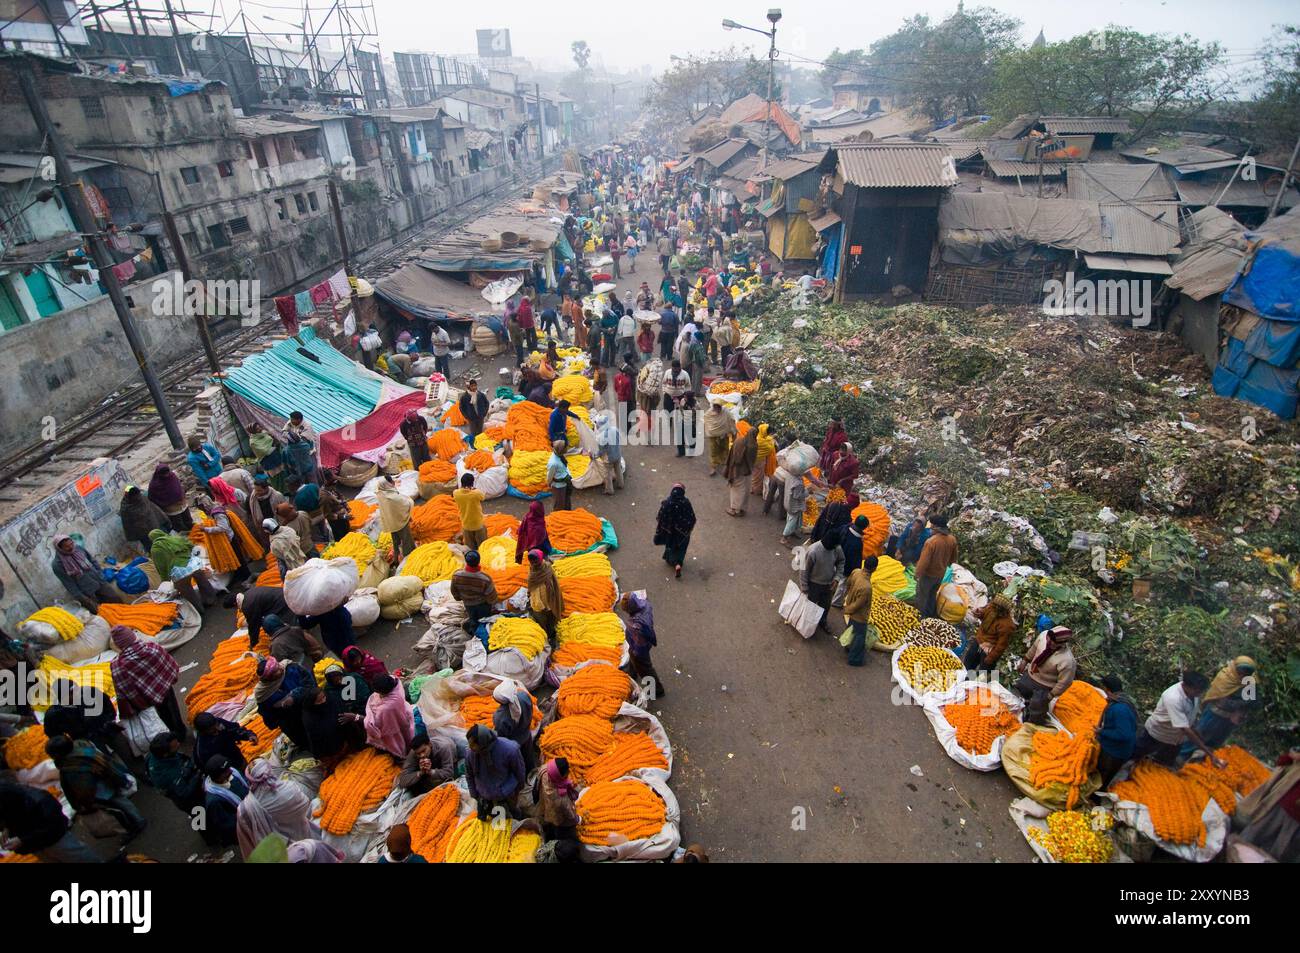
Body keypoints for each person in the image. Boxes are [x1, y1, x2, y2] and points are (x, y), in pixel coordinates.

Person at [46, 734, 146, 840]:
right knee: (122, 802)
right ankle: (137, 820)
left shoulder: (74, 767)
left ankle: (134, 824)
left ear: (59, 754)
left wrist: (85, 805)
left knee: (117, 809)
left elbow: (85, 789)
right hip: (107, 778)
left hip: (101, 790)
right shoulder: (80, 744)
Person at [1133, 671, 1225, 768]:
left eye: (1201, 691)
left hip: (1176, 739)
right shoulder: (1174, 698)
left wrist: (1196, 731)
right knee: (1135, 756)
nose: (1200, 693)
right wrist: (1209, 753)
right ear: (1187, 685)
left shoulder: (1193, 694)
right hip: (1158, 734)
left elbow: (1188, 717)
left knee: (1162, 765)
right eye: (1198, 691)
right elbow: (1185, 729)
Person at [109, 625, 186, 740]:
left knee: (158, 716)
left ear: (119, 645)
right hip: (165, 688)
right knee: (173, 710)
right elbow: (169, 665)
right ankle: (180, 731)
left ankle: (168, 736)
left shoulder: (117, 666)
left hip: (144, 700)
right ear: (133, 637)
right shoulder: (152, 648)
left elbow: (123, 689)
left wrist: (136, 703)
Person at [0, 781, 104, 863]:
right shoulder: (12, 801)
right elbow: (9, 815)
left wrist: (22, 840)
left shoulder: (42, 803)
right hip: (34, 843)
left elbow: (51, 827)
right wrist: (7, 828)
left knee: (79, 858)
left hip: (55, 839)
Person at [236, 759, 317, 859]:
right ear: (271, 770)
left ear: (250, 780)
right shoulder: (291, 788)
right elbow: (306, 805)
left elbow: (247, 842)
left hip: (279, 855)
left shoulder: (246, 808)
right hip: (305, 839)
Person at [1234, 746, 1300, 862]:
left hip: (1291, 810)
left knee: (1276, 848)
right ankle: (1234, 854)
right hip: (1285, 803)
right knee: (1255, 836)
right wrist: (1291, 756)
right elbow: (1283, 761)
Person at [1187, 656, 1260, 755]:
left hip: (1230, 720)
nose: (1242, 676)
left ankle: (1201, 763)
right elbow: (1222, 701)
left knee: (1215, 743)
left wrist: (1239, 710)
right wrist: (1239, 704)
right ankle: (1181, 757)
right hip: (1214, 714)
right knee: (1199, 736)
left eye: (1246, 674)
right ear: (1235, 668)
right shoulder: (1226, 676)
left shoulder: (1251, 682)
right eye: (1240, 672)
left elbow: (1250, 701)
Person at [1014, 626, 1078, 725]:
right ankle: (1023, 707)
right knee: (1020, 689)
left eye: (1055, 643)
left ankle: (1031, 724)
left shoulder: (1067, 660)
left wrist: (1051, 695)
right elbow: (1033, 649)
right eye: (1050, 639)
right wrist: (1025, 661)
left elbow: (1064, 682)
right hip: (1031, 674)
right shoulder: (1043, 636)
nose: (1051, 643)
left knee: (1037, 707)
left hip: (1045, 686)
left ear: (1063, 643)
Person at [465, 724, 526, 820]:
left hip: (505, 794)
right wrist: (475, 795)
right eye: (469, 744)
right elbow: (469, 775)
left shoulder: (510, 750)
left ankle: (517, 819)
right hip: (484, 795)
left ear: (482, 742)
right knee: (490, 822)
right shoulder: (471, 754)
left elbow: (519, 773)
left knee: (507, 820)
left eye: (473, 745)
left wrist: (514, 792)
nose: (470, 747)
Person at [254, 656, 312, 750]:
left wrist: (294, 696)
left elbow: (309, 684)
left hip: (310, 708)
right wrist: (281, 707)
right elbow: (268, 715)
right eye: (276, 671)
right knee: (308, 744)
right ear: (269, 678)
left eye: (278, 665)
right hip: (293, 724)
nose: (280, 668)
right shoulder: (263, 692)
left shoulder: (291, 668)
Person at [51, 534, 121, 612]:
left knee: (115, 599)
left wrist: (100, 574)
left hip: (99, 581)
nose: (71, 547)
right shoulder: (57, 564)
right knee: (102, 611)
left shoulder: (78, 548)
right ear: (59, 548)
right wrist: (83, 598)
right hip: (87, 592)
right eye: (67, 546)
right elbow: (69, 584)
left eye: (71, 544)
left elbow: (92, 560)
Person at [145, 731, 204, 815]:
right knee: (200, 814)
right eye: (175, 746)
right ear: (165, 754)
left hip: (183, 781)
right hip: (189, 799)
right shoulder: (168, 774)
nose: (179, 744)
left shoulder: (153, 755)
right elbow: (185, 793)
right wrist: (198, 774)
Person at [1096, 675, 1138, 786]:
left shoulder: (1119, 709)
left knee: (1102, 777)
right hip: (1118, 750)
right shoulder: (1123, 700)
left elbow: (1124, 734)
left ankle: (1095, 797)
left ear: (1107, 689)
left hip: (1114, 752)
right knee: (1105, 776)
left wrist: (1101, 732)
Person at [913, 515, 958, 619]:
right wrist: (944, 564)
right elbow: (953, 558)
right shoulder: (952, 539)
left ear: (935, 527)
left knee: (922, 596)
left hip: (928, 575)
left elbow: (924, 561)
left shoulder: (931, 542)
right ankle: (930, 615)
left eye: (932, 526)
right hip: (940, 574)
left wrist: (917, 574)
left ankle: (919, 617)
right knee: (932, 595)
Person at [802, 529, 845, 636]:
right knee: (810, 606)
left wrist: (837, 578)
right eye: (835, 546)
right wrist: (804, 587)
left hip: (829, 585)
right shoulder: (813, 551)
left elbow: (841, 562)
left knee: (825, 606)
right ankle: (807, 625)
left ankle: (822, 621)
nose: (836, 547)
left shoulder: (836, 548)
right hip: (814, 584)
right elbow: (804, 571)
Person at [620, 591, 663, 698]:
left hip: (640, 649)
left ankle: (655, 691)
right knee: (632, 656)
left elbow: (639, 646)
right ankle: (632, 673)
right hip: (638, 643)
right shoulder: (645, 605)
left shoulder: (637, 625)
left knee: (645, 668)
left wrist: (636, 653)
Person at [364, 674, 415, 759]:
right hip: (402, 716)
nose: (375, 693)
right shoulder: (394, 682)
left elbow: (378, 724)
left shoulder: (386, 708)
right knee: (405, 736)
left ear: (383, 692)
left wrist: (358, 718)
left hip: (393, 726)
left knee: (396, 742)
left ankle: (400, 756)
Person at [300, 682, 353, 764]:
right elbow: (316, 740)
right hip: (329, 750)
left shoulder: (333, 701)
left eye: (324, 697)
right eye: (319, 701)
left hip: (345, 742)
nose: (323, 701)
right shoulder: (309, 717)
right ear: (312, 703)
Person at [960, 594, 1016, 672]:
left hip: (990, 650)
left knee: (984, 673)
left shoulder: (1007, 625)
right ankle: (966, 681)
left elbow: (1001, 645)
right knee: (968, 664)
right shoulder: (991, 608)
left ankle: (982, 682)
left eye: (996, 607)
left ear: (1002, 609)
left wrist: (991, 658)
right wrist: (978, 612)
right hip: (978, 641)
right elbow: (983, 614)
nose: (993, 607)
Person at [202, 755, 249, 847]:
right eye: (226, 771)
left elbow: (245, 782)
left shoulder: (233, 774)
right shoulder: (214, 801)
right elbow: (228, 826)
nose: (231, 771)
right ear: (218, 777)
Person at [194, 710, 257, 774]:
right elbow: (207, 768)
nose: (217, 730)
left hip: (237, 758)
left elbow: (235, 730)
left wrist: (248, 735)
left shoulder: (219, 723)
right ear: (203, 732)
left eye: (216, 726)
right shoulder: (203, 748)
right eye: (213, 730)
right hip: (224, 771)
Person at [450, 550, 499, 633]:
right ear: (478, 561)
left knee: (473, 619)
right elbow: (491, 596)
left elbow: (453, 590)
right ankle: (482, 634)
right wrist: (492, 603)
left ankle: (473, 631)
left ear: (466, 561)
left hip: (468, 604)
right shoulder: (485, 578)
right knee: (484, 620)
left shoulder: (457, 575)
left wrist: (459, 598)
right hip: (482, 605)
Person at [492, 679, 535, 773]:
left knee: (518, 764)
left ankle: (523, 778)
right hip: (526, 734)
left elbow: (502, 737)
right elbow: (531, 711)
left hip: (514, 744)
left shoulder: (500, 716)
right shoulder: (524, 696)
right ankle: (532, 772)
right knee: (529, 757)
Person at [654, 483, 696, 579]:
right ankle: (679, 564)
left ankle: (672, 562)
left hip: (670, 533)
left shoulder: (667, 503)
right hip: (683, 533)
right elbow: (692, 517)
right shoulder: (686, 502)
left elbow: (660, 517)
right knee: (681, 549)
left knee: (671, 546)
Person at [842, 555, 878, 666]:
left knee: (851, 630)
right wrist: (847, 610)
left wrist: (847, 599)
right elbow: (858, 605)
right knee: (859, 637)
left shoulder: (856, 572)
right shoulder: (867, 587)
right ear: (874, 569)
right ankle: (854, 659)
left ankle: (847, 647)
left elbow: (848, 583)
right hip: (859, 615)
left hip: (851, 607)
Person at [526, 549, 564, 643]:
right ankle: (545, 636)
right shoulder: (532, 570)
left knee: (551, 618)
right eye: (531, 560)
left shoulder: (547, 568)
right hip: (537, 601)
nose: (534, 562)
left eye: (535, 560)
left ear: (540, 558)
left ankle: (551, 635)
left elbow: (553, 583)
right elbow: (532, 588)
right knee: (541, 621)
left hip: (548, 598)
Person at [238, 586, 294, 650]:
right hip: (283, 595)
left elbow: (254, 624)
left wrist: (253, 643)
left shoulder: (276, 644)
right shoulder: (250, 593)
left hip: (283, 603)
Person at [536, 757, 579, 841]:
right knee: (561, 832)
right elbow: (570, 815)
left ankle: (549, 833)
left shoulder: (545, 770)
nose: (569, 773)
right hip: (559, 819)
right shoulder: (560, 796)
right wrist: (577, 819)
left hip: (545, 809)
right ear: (560, 775)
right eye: (567, 772)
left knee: (549, 825)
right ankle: (557, 840)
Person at [118, 485, 170, 554]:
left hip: (146, 531)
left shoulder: (126, 505)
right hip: (148, 530)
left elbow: (153, 509)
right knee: (158, 545)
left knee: (156, 547)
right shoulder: (137, 501)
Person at [376, 475, 416, 564]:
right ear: (387, 484)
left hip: (391, 522)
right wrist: (409, 500)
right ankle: (407, 557)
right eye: (391, 482)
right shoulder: (393, 497)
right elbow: (406, 504)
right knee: (406, 539)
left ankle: (396, 558)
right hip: (399, 521)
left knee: (395, 540)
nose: (393, 483)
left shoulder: (381, 494)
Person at [724, 423, 758, 516]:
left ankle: (735, 510)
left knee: (736, 489)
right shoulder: (754, 445)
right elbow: (752, 460)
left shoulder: (739, 441)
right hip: (748, 471)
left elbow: (736, 458)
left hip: (737, 470)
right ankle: (742, 509)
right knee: (745, 490)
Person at [148, 462, 192, 531]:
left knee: (188, 520)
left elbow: (178, 486)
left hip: (182, 503)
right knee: (179, 524)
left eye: (167, 472)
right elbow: (152, 498)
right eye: (163, 474)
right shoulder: (154, 485)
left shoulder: (172, 476)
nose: (166, 475)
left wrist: (182, 495)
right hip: (171, 508)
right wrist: (164, 504)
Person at [247, 476, 286, 549]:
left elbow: (285, 511)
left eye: (259, 490)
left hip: (278, 524)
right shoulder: (252, 498)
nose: (256, 492)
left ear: (266, 488)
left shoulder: (277, 496)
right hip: (264, 527)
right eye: (255, 489)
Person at [453, 473, 487, 552]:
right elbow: (483, 497)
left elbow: (458, 492)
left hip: (466, 524)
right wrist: (474, 489)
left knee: (470, 548)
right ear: (472, 483)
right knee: (482, 546)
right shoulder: (476, 493)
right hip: (478, 524)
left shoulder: (456, 493)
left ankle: (472, 559)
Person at [699, 400, 735, 477]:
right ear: (713, 407)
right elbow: (705, 420)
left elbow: (732, 420)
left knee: (724, 448)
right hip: (713, 436)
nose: (717, 409)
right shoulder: (709, 413)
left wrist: (732, 431)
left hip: (724, 435)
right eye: (715, 407)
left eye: (718, 407)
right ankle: (713, 467)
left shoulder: (726, 412)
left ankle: (725, 463)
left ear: (721, 407)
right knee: (713, 450)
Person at [282, 412, 318, 484]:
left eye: (293, 420)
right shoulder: (291, 422)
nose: (291, 421)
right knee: (302, 476)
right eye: (291, 419)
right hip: (296, 454)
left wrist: (290, 437)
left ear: (299, 420)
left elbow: (303, 441)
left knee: (310, 474)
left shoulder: (307, 426)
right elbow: (284, 432)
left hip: (308, 454)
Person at [781, 469, 808, 547]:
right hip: (794, 505)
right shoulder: (798, 483)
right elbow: (797, 496)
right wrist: (807, 492)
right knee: (792, 521)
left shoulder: (790, 474)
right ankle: (784, 538)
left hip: (788, 501)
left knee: (790, 518)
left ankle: (792, 532)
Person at [547, 439, 573, 511]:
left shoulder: (560, 456)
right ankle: (559, 519)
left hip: (565, 483)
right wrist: (549, 483)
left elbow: (565, 467)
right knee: (559, 505)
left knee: (566, 503)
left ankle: (567, 516)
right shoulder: (554, 463)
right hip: (558, 486)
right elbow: (550, 476)